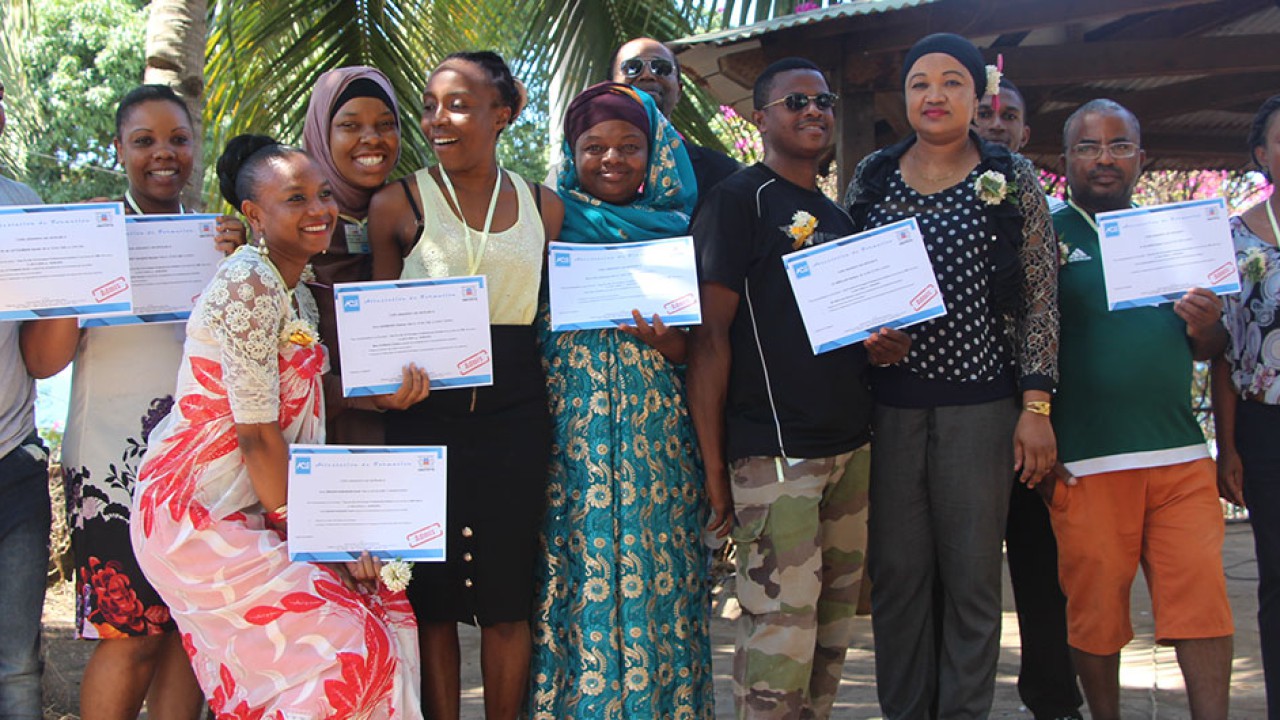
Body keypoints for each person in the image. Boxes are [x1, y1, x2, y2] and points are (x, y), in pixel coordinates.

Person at [130, 134, 428, 719]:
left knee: (380, 616)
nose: (318, 210)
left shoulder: (296, 291)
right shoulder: (251, 283)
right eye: (295, 199)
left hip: (253, 505)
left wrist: (381, 399)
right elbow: (255, 434)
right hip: (197, 514)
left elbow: (304, 399)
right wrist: (316, 541)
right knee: (345, 648)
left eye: (322, 195)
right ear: (253, 215)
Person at [842, 33, 1058, 719]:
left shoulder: (1010, 175)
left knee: (970, 581)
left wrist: (1037, 405)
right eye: (920, 83)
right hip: (893, 410)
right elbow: (849, 286)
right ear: (903, 96)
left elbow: (1040, 295)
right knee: (899, 579)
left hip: (982, 407)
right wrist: (866, 339)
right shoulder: (874, 175)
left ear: (977, 95)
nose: (934, 95)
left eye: (952, 81)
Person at [687, 57, 909, 719]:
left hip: (848, 452)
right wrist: (714, 466)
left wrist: (885, 346)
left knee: (828, 645)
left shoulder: (838, 217)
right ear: (760, 119)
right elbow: (709, 339)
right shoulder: (737, 200)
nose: (813, 111)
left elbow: (847, 336)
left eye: (822, 101)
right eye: (794, 102)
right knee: (778, 645)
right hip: (775, 457)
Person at [19, 84, 245, 720]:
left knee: (190, 634)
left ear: (194, 147)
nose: (163, 154)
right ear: (119, 149)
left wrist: (243, 260)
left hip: (201, 464)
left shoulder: (219, 241)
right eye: (144, 141)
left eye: (177, 138)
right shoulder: (89, 233)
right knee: (133, 636)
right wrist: (80, 261)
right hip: (114, 466)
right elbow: (43, 362)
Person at [367, 51, 564, 720]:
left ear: (501, 114)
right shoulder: (398, 202)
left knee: (509, 600)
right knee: (434, 600)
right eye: (429, 105)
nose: (436, 119)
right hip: (424, 415)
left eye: (456, 104)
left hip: (516, 413)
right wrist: (383, 392)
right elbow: (371, 329)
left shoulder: (545, 206)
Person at [528, 82, 712, 719]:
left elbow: (706, 349)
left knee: (658, 585)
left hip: (657, 450)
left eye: (630, 146)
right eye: (594, 146)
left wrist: (674, 346)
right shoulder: (543, 225)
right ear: (570, 153)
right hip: (569, 446)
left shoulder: (686, 229)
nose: (612, 159)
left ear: (655, 153)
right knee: (573, 583)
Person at [1048, 98, 1233, 720]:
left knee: (1204, 608)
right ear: (1065, 159)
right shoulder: (1044, 238)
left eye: (1120, 145)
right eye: (1090, 147)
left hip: (1180, 456)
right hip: (1089, 461)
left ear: (1141, 158)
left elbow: (1211, 348)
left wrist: (1207, 325)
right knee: (1097, 617)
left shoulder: (1175, 237)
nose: (1106, 159)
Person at [974, 74, 1082, 720]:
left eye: (1007, 115)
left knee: (1045, 573)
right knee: (965, 578)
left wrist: (1037, 408)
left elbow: (1044, 307)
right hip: (961, 416)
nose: (994, 123)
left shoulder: (1034, 197)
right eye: (984, 112)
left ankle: (1054, 700)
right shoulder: (918, 188)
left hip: (1036, 420)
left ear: (1025, 133)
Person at [1214, 93, 1280, 720]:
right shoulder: (1235, 239)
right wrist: (1228, 447)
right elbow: (1224, 352)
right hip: (1267, 430)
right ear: (1262, 155)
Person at [301, 66, 402, 445]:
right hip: (313, 441)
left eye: (385, 124)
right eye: (350, 126)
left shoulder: (417, 215)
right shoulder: (286, 226)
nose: (371, 139)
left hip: (408, 438)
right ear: (322, 134)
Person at [0, 77, 50, 720]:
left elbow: (43, 353)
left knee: (17, 669)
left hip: (13, 464)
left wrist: (88, 253)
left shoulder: (26, 207)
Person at [611, 37, 740, 198]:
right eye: (632, 67)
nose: (647, 75)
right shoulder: (586, 170)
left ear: (679, 91)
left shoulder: (723, 172)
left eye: (661, 68)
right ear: (610, 89)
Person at [974, 77, 1067, 213]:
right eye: (984, 114)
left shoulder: (1052, 213)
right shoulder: (943, 205)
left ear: (1025, 135)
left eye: (1009, 117)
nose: (997, 125)